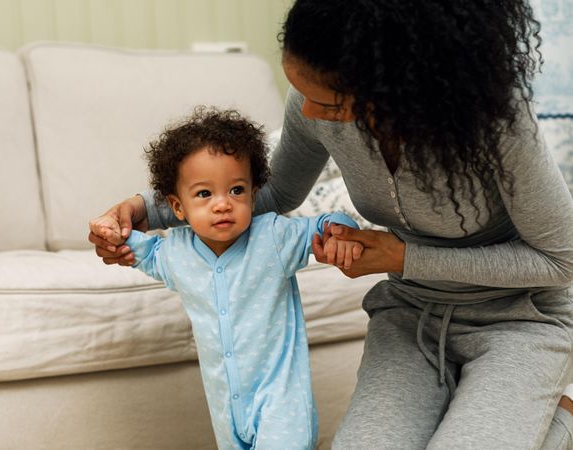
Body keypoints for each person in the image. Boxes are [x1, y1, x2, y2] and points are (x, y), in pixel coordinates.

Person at [89, 0, 573, 448]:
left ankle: (560, 418)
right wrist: (139, 211)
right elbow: (272, 194)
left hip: (520, 320)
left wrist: (404, 257)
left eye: (332, 104)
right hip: (413, 314)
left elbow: (562, 259)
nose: (309, 113)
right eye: (300, 92)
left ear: (401, 90)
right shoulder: (312, 106)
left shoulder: (497, 124)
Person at [90, 108, 363, 450]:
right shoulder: (175, 252)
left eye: (236, 190)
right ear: (177, 207)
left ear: (253, 193)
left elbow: (327, 222)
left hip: (281, 407)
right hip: (225, 409)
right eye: (205, 194)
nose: (222, 204)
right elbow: (140, 250)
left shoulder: (274, 237)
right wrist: (112, 232)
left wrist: (340, 234)